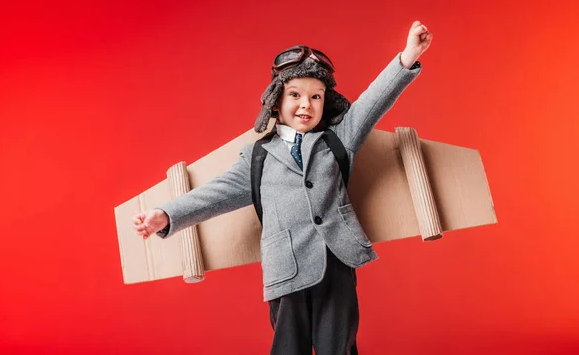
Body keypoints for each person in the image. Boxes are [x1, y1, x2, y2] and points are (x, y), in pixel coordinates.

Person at [132, 21, 433, 354]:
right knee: (289, 348)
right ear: (276, 102)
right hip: (285, 274)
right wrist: (166, 215)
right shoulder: (258, 156)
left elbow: (371, 103)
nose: (306, 104)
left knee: (341, 347)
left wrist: (408, 56)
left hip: (337, 262)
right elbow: (215, 194)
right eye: (295, 95)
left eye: (315, 96)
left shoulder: (338, 140)